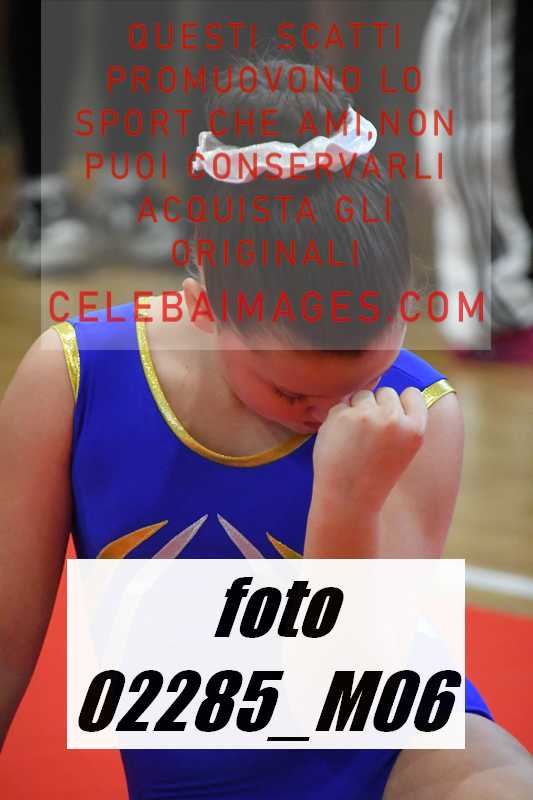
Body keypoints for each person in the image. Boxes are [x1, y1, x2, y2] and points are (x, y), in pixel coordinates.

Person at [1, 58, 532, 799]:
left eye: (368, 371)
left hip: (381, 743)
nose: (335, 411)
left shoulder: (418, 410)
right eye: (292, 390)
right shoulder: (75, 376)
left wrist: (347, 502)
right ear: (202, 306)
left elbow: (350, 691)